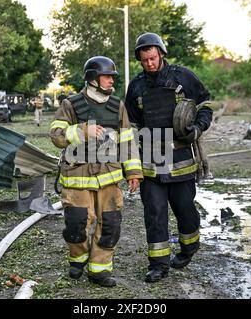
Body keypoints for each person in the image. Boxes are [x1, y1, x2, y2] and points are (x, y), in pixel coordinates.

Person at [125, 32, 213, 283]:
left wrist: (198, 127)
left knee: (185, 209)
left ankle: (189, 247)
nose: (149, 64)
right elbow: (131, 126)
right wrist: (131, 164)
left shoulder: (184, 77)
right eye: (144, 61)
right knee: (154, 213)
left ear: (161, 54)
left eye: (152, 58)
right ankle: (158, 264)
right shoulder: (137, 87)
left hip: (181, 156)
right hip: (151, 161)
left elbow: (205, 105)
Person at [50, 56, 143, 287]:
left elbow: (128, 141)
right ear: (92, 78)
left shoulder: (117, 106)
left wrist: (133, 172)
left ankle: (99, 269)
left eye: (112, 76)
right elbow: (56, 135)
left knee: (110, 224)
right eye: (107, 76)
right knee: (76, 224)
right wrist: (82, 130)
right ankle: (78, 259)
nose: (112, 80)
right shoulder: (70, 105)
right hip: (77, 177)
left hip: (109, 179)